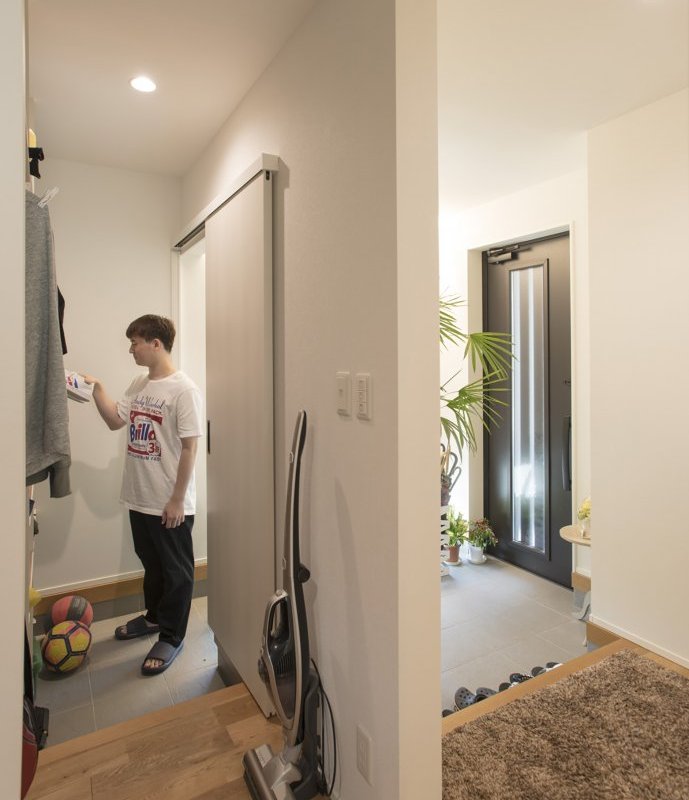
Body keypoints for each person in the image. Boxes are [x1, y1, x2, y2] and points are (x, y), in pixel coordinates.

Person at [84, 314, 203, 675]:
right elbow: (114, 421)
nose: (131, 349)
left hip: (169, 501)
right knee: (152, 564)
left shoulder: (184, 390)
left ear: (156, 343)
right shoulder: (139, 383)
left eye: (135, 342)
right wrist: (97, 388)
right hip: (140, 496)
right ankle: (154, 618)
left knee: (176, 572)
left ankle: (171, 636)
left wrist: (178, 500)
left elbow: (190, 448)